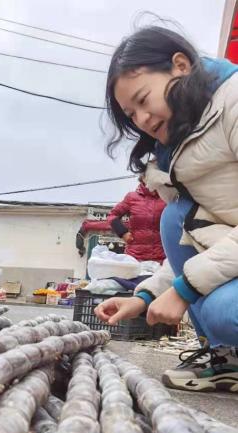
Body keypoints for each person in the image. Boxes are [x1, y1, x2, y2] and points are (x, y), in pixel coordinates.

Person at [95, 26, 238, 393]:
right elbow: (195, 232)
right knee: (176, 216)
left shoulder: (233, 101)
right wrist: (143, 297)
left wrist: (184, 290)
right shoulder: (174, 153)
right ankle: (228, 359)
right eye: (131, 114)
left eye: (144, 100)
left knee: (224, 314)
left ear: (180, 66)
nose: (141, 119)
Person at [107, 176, 166, 263]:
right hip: (135, 256)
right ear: (143, 177)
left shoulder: (167, 198)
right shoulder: (131, 197)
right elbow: (112, 215)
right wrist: (123, 233)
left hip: (161, 257)